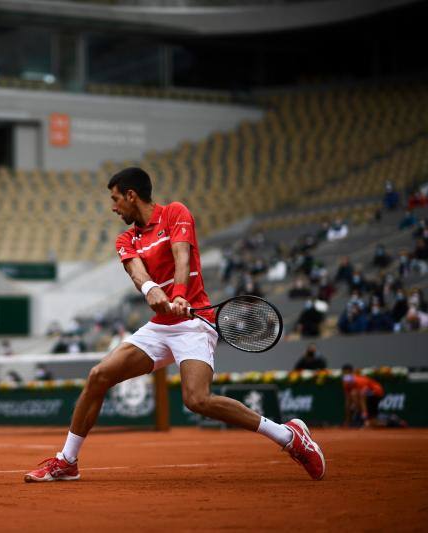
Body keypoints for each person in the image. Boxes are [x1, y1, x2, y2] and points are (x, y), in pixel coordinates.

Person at [24, 167, 325, 483]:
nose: (113, 207)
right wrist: (149, 288)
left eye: (115, 199)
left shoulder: (175, 213)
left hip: (195, 323)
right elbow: (137, 272)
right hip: (161, 327)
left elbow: (182, 258)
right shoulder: (126, 238)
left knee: (197, 400)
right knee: (99, 376)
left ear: (131, 195)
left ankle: (289, 437)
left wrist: (180, 295)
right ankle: (67, 461)